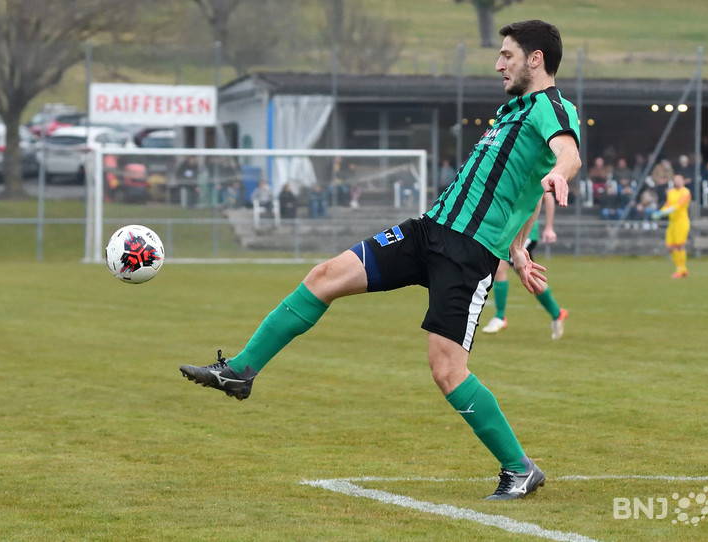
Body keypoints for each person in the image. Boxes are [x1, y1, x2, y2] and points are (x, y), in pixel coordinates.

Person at [179, 20, 581, 501]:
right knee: (324, 276)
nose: (498, 63)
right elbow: (527, 181)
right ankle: (241, 371)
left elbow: (565, 156)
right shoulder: (512, 109)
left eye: (507, 55)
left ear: (535, 59)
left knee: (447, 370)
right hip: (428, 230)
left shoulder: (552, 108)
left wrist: (560, 174)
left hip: (467, 254)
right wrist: (519, 245)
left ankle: (520, 468)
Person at [482, 193, 568, 340]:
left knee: (500, 267)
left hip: (524, 233)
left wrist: (549, 227)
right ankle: (557, 313)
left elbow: (547, 196)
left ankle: (500, 317)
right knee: (530, 277)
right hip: (511, 230)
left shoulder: (534, 171)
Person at [652, 173, 691, 278]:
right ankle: (683, 269)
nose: (677, 181)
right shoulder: (671, 192)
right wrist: (660, 212)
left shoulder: (686, 192)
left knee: (679, 246)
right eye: (676, 180)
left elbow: (678, 206)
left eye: (679, 180)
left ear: (683, 181)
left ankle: (680, 269)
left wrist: (663, 213)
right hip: (672, 223)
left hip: (681, 222)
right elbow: (667, 205)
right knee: (669, 247)